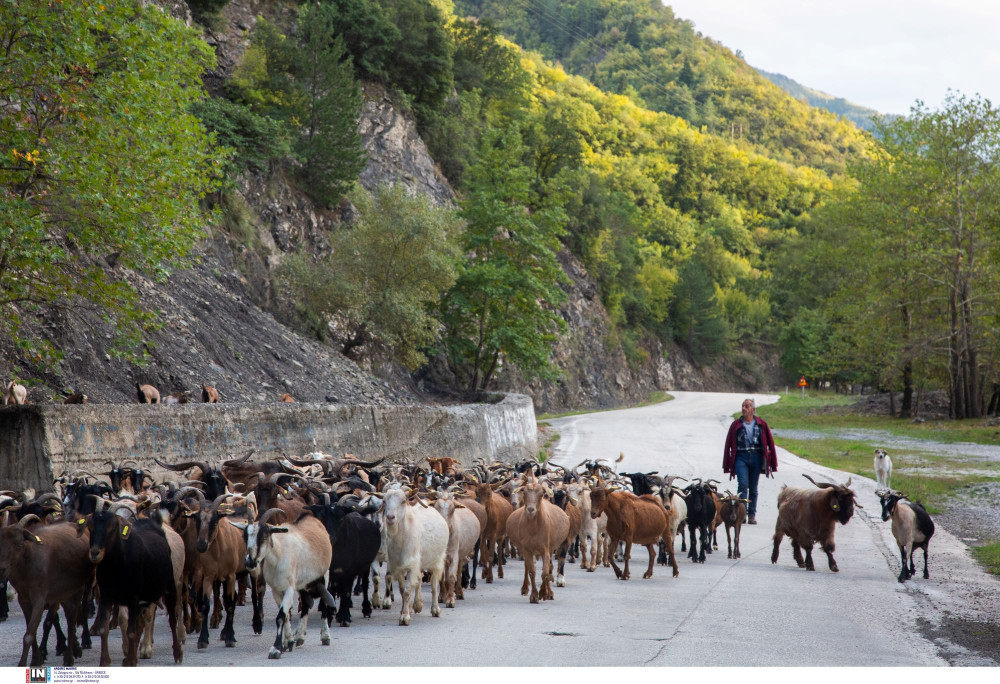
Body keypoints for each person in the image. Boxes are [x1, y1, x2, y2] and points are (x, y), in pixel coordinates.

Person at [722, 397, 777, 525]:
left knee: (753, 488)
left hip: (756, 457)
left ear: (753, 409)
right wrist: (727, 463)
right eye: (743, 406)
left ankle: (751, 515)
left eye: (747, 406)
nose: (744, 408)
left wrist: (772, 462)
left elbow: (770, 443)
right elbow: (728, 444)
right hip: (741, 457)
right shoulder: (736, 425)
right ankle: (741, 514)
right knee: (743, 485)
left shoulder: (761, 424)